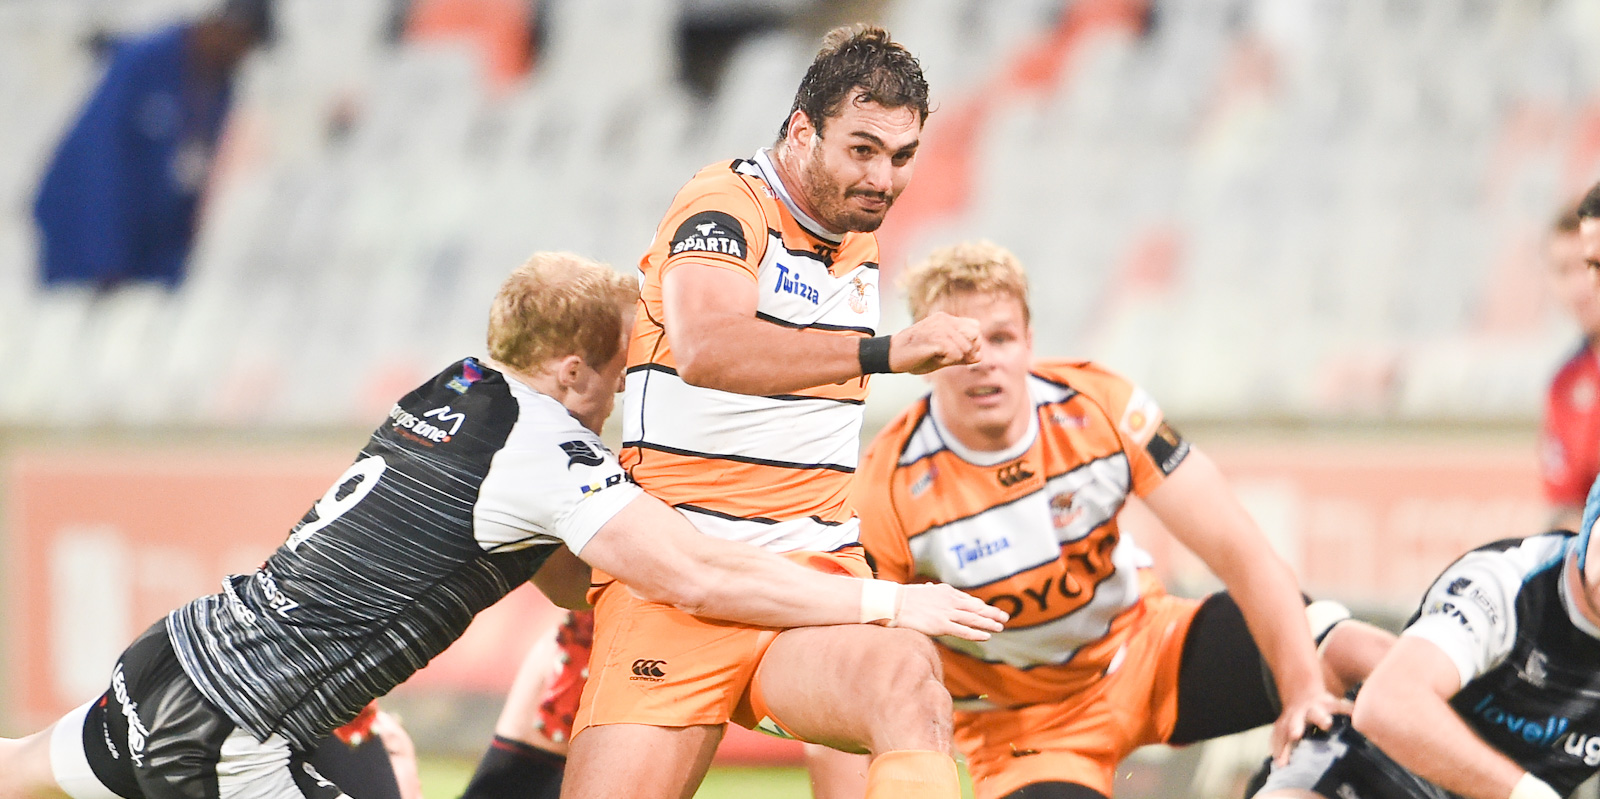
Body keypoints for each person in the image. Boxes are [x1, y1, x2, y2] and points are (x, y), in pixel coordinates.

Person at [0, 252, 1002, 799]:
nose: (620, 399)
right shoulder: (543, 449)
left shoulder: (457, 385)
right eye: (618, 373)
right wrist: (884, 602)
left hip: (168, 659)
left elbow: (564, 576)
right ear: (570, 368)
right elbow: (696, 573)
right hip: (232, 732)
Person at [559, 24, 994, 799]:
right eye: (862, 149)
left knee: (910, 681)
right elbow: (707, 346)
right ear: (801, 132)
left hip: (811, 580)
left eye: (901, 156)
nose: (883, 178)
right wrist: (885, 352)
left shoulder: (854, 233)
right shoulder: (723, 206)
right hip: (682, 580)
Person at [813, 240, 1390, 799]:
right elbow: (854, 672)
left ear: (1029, 342)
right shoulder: (887, 484)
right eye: (958, 344)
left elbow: (1244, 555)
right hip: (1025, 729)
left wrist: (1302, 692)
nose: (983, 360)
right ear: (923, 361)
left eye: (1001, 337)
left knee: (1357, 656)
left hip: (1149, 649)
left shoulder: (1101, 406)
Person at [1247, 180, 1600, 799]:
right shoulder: (1570, 384)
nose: (1584, 286)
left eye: (1593, 265)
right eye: (1574, 267)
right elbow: (1567, 522)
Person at [32, 0, 271, 289]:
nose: (242, 55)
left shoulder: (219, 84)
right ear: (223, 27)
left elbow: (190, 177)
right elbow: (100, 158)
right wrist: (105, 258)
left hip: (145, 250)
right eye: (242, 41)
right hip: (83, 237)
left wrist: (172, 267)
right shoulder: (144, 60)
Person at [1539, 205, 1600, 532]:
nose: (1578, 289)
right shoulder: (1565, 385)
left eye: (1587, 265)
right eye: (1563, 271)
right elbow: (1565, 511)